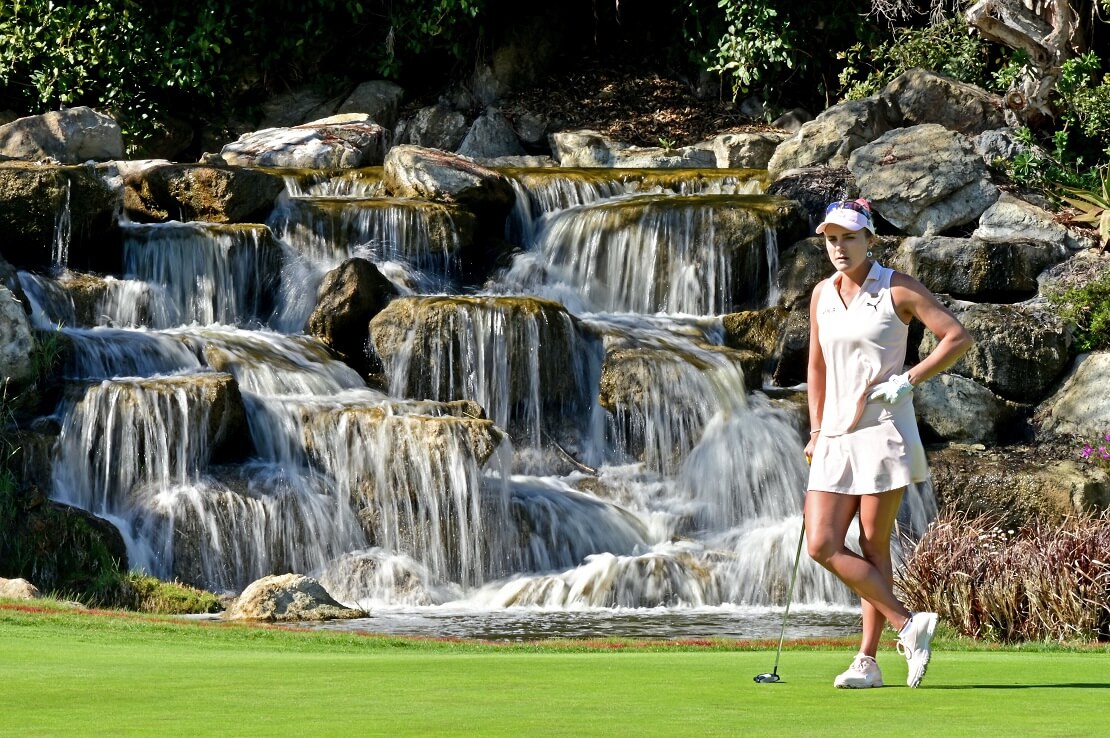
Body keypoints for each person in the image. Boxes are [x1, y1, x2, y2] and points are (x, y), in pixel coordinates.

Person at [803, 198, 973, 689]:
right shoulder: (821, 294)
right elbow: (816, 365)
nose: (839, 247)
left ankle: (867, 661)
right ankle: (907, 625)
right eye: (832, 239)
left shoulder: (897, 287)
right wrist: (815, 430)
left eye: (849, 237)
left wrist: (910, 379)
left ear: (868, 240)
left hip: (882, 431)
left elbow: (956, 337)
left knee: (873, 546)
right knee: (822, 543)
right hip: (834, 435)